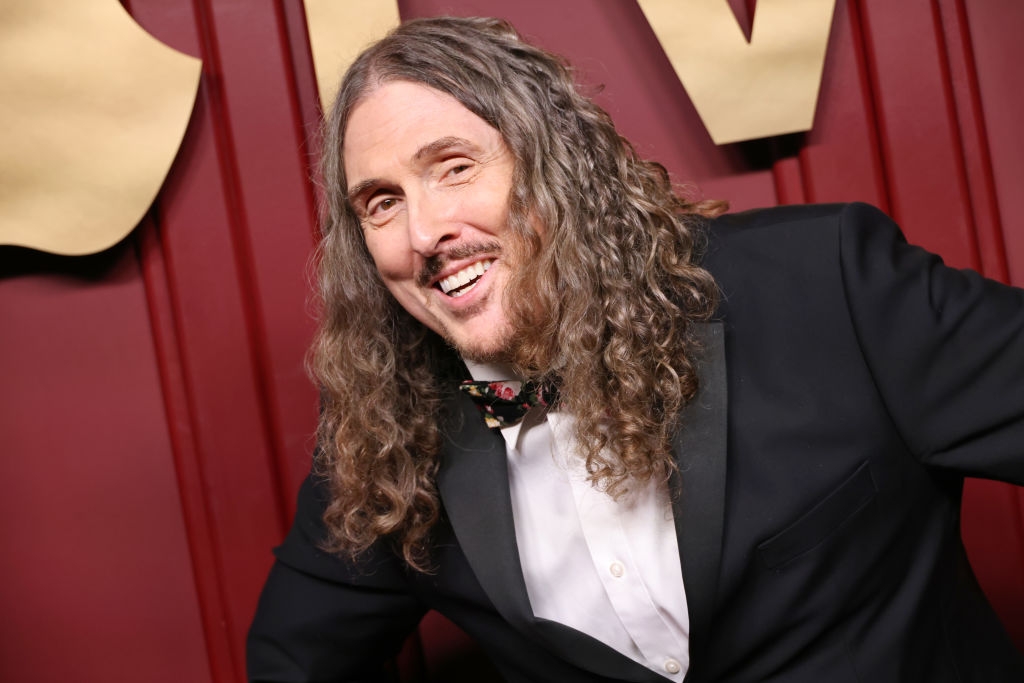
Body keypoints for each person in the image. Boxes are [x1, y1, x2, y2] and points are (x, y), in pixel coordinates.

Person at [247, 16, 1024, 683]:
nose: (424, 233)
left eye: (454, 167)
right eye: (382, 203)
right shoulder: (389, 430)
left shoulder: (831, 286)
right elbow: (292, 663)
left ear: (556, 164)